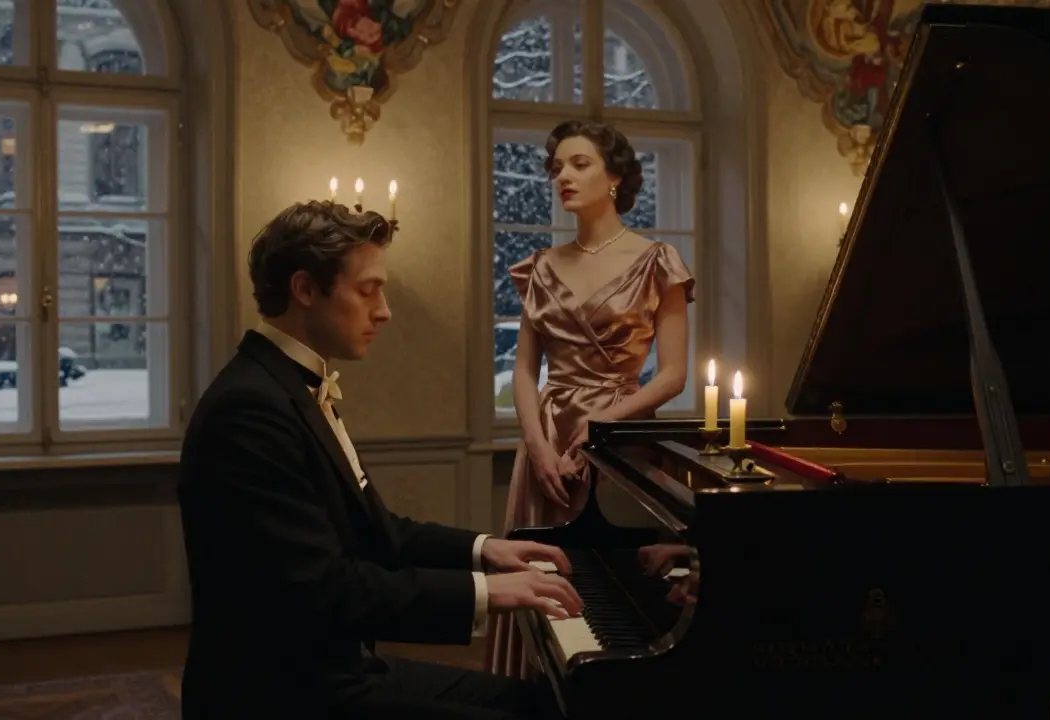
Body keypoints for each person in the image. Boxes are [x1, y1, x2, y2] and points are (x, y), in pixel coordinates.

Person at [177, 201, 582, 719]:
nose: (384, 310)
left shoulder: (287, 386)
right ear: (305, 289)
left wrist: (487, 551)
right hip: (282, 694)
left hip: (334, 669)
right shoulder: (249, 410)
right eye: (367, 290)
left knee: (547, 703)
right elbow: (323, 590)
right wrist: (489, 592)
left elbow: (381, 532)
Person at [487, 120, 696, 677]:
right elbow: (525, 372)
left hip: (620, 444)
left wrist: (601, 425)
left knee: (617, 591)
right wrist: (536, 447)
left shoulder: (658, 262)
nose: (562, 176)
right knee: (539, 576)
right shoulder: (541, 266)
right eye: (556, 167)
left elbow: (672, 375)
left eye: (579, 164)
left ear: (616, 177)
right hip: (547, 443)